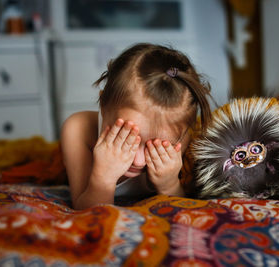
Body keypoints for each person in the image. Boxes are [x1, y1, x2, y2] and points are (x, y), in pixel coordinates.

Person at [60, 43, 212, 209]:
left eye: (155, 145)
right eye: (126, 135)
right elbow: (84, 211)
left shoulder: (180, 136)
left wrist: (170, 185)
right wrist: (103, 179)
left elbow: (183, 206)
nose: (138, 161)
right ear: (102, 105)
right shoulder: (78, 130)